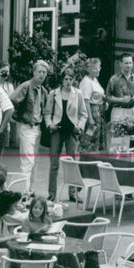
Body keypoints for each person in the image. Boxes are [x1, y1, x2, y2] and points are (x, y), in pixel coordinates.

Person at [44, 70, 88, 202]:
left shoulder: (78, 94)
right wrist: (50, 125)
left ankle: (73, 193)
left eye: (71, 79)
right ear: (62, 80)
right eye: (66, 79)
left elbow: (83, 114)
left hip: (71, 131)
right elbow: (47, 113)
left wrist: (79, 127)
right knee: (54, 164)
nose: (69, 82)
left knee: (72, 162)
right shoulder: (54, 93)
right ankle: (52, 193)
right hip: (57, 130)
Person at [10, 59, 49, 193]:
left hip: (37, 128)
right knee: (28, 161)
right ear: (34, 72)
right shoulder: (26, 86)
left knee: (35, 162)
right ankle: (23, 192)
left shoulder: (43, 90)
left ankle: (30, 190)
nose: (42, 75)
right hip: (26, 126)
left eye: (44, 72)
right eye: (39, 72)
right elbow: (12, 100)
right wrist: (16, 117)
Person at [106, 53, 134, 132]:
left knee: (133, 137)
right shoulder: (114, 79)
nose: (129, 65)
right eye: (126, 63)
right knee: (118, 139)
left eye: (130, 63)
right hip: (118, 110)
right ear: (120, 64)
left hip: (132, 111)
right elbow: (108, 97)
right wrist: (121, 100)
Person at [80, 57, 106, 151]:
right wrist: (90, 118)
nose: (98, 70)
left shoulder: (94, 80)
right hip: (92, 113)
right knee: (89, 139)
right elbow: (85, 101)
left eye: (99, 67)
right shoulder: (86, 82)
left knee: (97, 139)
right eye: (95, 68)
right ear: (88, 69)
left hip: (99, 113)